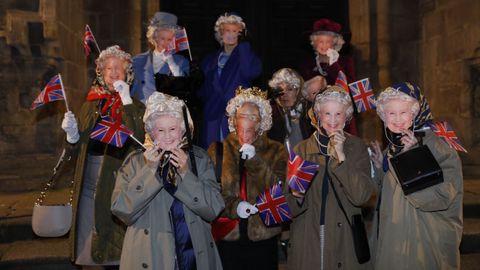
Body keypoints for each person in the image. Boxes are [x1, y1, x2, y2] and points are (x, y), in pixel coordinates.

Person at [111, 92, 224, 270]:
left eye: (173, 129)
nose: (167, 136)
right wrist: (149, 171)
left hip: (194, 255)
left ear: (183, 129)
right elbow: (122, 210)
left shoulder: (199, 159)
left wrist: (187, 174)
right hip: (150, 255)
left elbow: (213, 210)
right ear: (151, 132)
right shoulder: (135, 162)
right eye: (160, 130)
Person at [60, 45, 145, 266]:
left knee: (115, 252)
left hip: (118, 183)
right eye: (109, 68)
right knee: (88, 250)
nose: (114, 73)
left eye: (119, 68)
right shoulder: (90, 104)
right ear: (101, 72)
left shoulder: (137, 106)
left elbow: (138, 140)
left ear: (128, 73)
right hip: (88, 186)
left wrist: (126, 102)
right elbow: (74, 152)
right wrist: (71, 137)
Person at [369, 82, 463, 269]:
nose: (397, 119)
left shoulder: (438, 144)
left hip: (423, 241)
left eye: (403, 112)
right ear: (383, 116)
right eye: (391, 113)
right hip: (394, 238)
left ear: (415, 113)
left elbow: (443, 196)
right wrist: (381, 168)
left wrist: (413, 158)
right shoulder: (393, 147)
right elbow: (389, 194)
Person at [286, 85, 375, 270]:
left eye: (338, 114)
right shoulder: (301, 150)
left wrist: (341, 157)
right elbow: (289, 208)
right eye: (327, 113)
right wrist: (297, 197)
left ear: (347, 116)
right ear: (318, 114)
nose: (333, 120)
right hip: (308, 238)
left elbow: (362, 197)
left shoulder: (356, 148)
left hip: (344, 240)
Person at [207, 87, 288, 270]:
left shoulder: (276, 151)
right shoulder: (218, 150)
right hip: (226, 237)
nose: (246, 121)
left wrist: (255, 161)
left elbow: (281, 193)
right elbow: (209, 194)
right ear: (234, 119)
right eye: (242, 115)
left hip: (263, 239)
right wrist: (235, 206)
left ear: (261, 122)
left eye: (253, 117)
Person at [198, 12, 262, 149]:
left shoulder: (246, 56)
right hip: (213, 114)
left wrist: (244, 46)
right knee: (212, 154)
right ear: (220, 33)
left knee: (235, 155)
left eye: (235, 31)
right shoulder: (209, 60)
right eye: (227, 30)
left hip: (237, 114)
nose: (231, 34)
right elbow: (202, 89)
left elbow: (250, 72)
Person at [300, 18, 358, 135]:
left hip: (341, 117)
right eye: (321, 42)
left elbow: (352, 89)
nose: (324, 45)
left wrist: (334, 65)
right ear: (314, 43)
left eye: (328, 42)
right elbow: (304, 92)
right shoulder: (307, 63)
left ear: (335, 43)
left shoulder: (345, 61)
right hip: (315, 119)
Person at [131, 12, 194, 104]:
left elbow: (183, 88)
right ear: (154, 38)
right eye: (162, 38)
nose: (166, 43)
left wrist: (171, 63)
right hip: (142, 112)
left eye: (169, 40)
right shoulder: (137, 60)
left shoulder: (181, 62)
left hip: (168, 114)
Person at [267, 68, 313, 148]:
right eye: (280, 90)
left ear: (298, 90)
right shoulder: (270, 112)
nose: (285, 94)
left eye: (290, 89)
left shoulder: (309, 110)